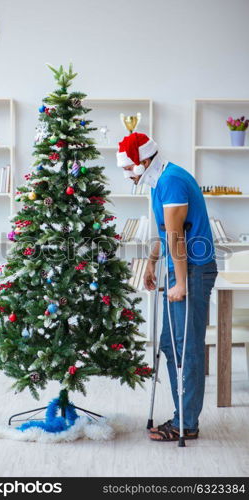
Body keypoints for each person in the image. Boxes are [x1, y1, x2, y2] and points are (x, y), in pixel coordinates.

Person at [116, 132, 217, 442]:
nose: (125, 174)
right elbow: (164, 231)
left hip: (193, 271)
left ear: (144, 161)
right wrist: (151, 262)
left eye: (127, 168)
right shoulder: (159, 182)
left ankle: (186, 422)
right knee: (170, 345)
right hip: (178, 269)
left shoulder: (171, 182)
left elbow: (177, 237)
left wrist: (181, 283)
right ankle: (181, 416)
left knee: (185, 348)